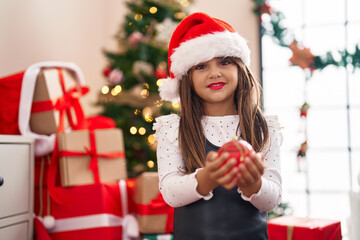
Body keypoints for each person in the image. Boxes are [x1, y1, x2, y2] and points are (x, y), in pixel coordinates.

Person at [153, 12, 282, 240]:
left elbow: (272, 199)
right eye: (201, 66)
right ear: (187, 78)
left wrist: (254, 183)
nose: (214, 73)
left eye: (224, 62)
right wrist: (209, 177)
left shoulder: (263, 127)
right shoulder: (173, 129)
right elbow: (171, 192)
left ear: (240, 68)